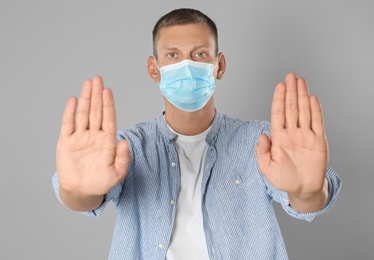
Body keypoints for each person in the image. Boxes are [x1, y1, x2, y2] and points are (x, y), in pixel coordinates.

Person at [52, 8, 341, 260]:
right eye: (173, 55)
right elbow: (86, 198)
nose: (187, 66)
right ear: (154, 69)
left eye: (200, 54)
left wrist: (309, 193)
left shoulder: (260, 141)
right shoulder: (129, 149)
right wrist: (76, 191)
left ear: (220, 66)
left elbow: (308, 201)